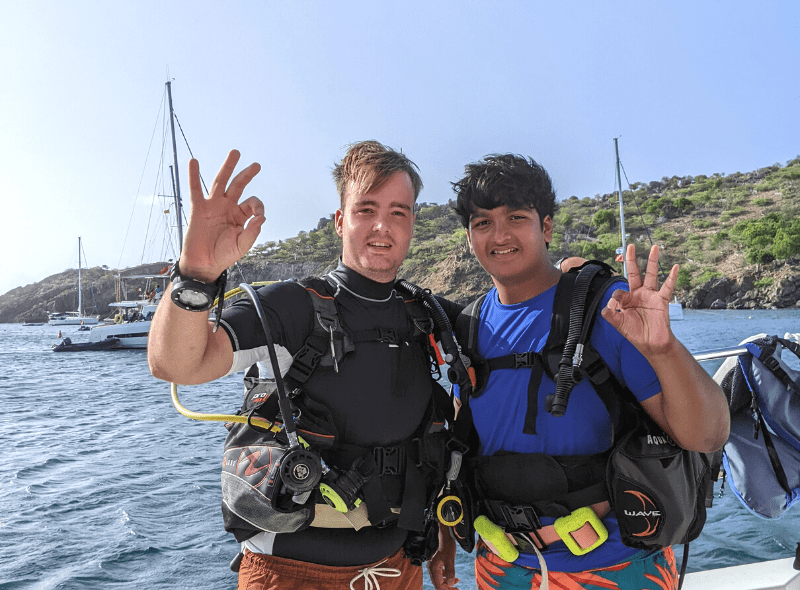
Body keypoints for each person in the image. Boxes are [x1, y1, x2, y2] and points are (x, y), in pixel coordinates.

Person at [148, 142, 453, 590]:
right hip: (289, 573)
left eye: (399, 212)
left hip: (397, 568)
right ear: (339, 220)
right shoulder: (295, 307)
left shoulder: (426, 316)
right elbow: (176, 363)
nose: (382, 226)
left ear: (412, 224)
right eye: (365, 209)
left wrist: (577, 277)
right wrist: (196, 272)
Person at [427, 154, 730, 590]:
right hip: (503, 568)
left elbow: (707, 435)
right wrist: (446, 541)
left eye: (516, 217)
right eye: (482, 223)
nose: (500, 235)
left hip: (615, 566)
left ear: (546, 227)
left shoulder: (605, 308)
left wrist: (664, 349)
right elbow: (460, 446)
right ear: (469, 236)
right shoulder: (469, 325)